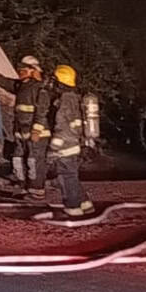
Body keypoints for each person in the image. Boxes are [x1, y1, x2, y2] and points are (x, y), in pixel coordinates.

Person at [0, 55, 50, 199]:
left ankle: (37, 190)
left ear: (33, 70)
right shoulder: (22, 86)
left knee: (34, 161)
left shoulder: (39, 89)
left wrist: (37, 130)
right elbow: (6, 83)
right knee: (19, 160)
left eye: (24, 69)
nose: (20, 72)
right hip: (21, 132)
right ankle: (24, 187)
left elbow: (42, 111)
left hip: (36, 133)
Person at [47, 64, 95, 217]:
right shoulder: (75, 98)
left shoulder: (65, 101)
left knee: (65, 176)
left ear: (60, 82)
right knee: (72, 175)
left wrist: (53, 147)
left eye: (55, 81)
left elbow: (61, 126)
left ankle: (73, 208)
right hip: (74, 144)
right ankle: (85, 203)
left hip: (65, 145)